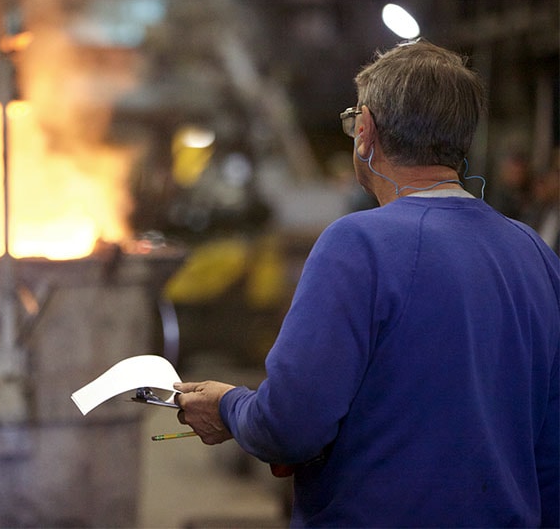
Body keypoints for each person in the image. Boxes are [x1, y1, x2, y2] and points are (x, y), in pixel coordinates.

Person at [174, 40, 559, 527]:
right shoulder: (535, 253)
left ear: (365, 131)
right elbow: (552, 450)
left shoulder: (358, 244)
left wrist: (229, 406)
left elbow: (292, 425)